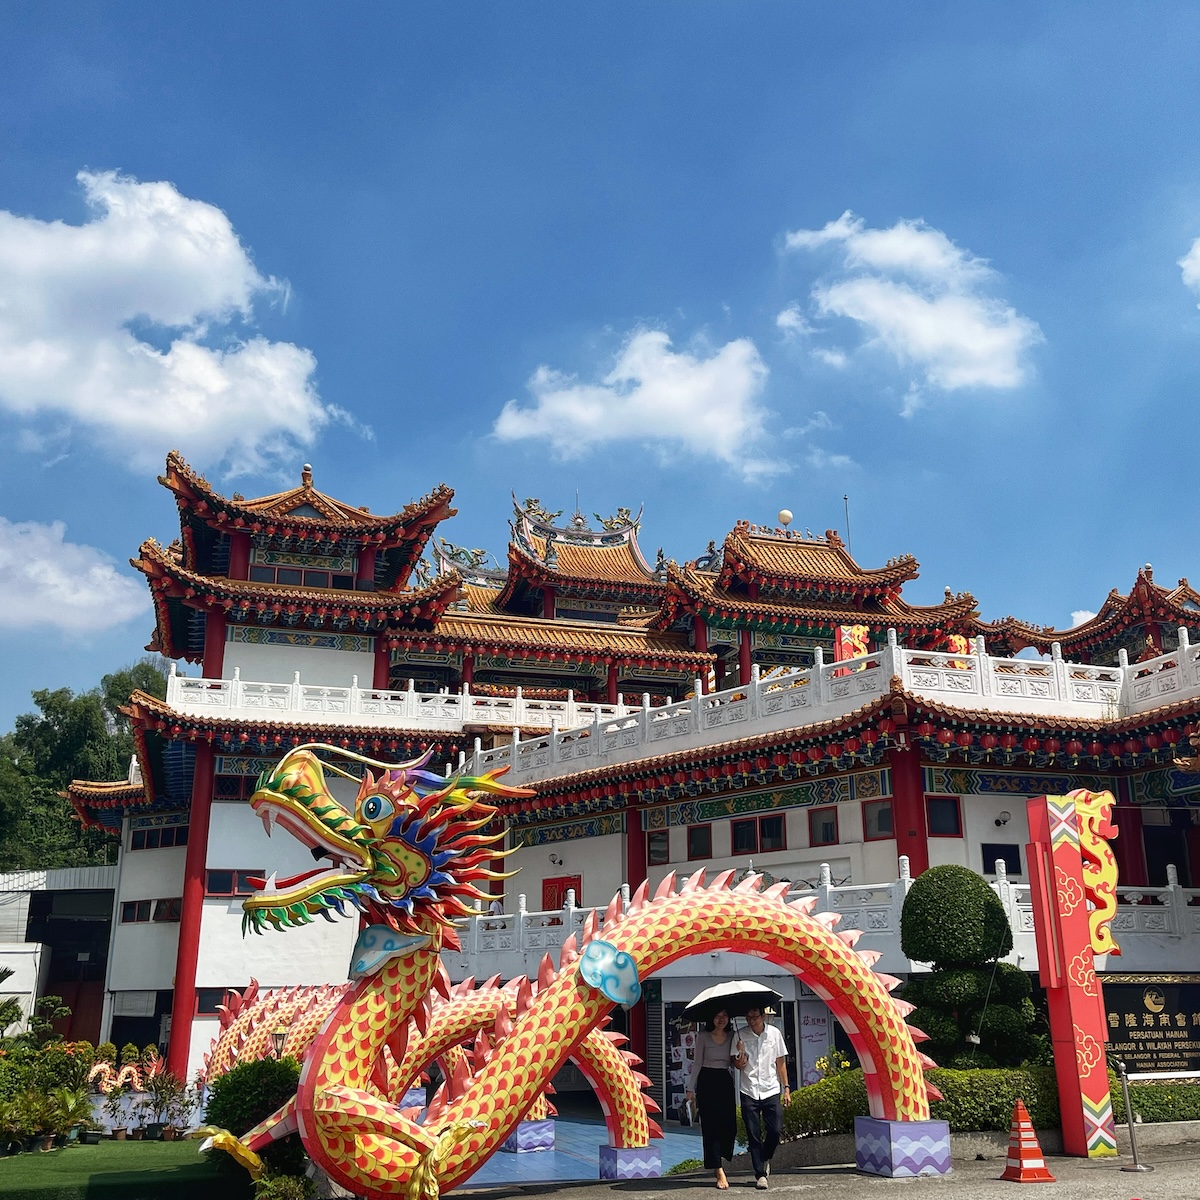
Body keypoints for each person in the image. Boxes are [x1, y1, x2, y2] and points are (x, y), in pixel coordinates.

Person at [733, 1006, 791, 1189]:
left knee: (775, 1130)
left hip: (771, 1089)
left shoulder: (774, 1034)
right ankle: (760, 1174)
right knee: (753, 1134)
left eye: (755, 1017)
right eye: (748, 1017)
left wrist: (786, 1088)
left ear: (763, 1016)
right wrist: (740, 1054)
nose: (751, 1021)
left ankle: (765, 1156)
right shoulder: (739, 1035)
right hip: (748, 1089)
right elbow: (737, 1065)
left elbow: (780, 1062)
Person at [684, 1009, 737, 1189]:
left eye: (725, 1015)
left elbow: (735, 1062)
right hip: (707, 1081)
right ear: (711, 1018)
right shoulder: (703, 1036)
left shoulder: (733, 1035)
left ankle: (721, 1156)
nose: (721, 1019)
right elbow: (697, 1062)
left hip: (725, 1080)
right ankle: (718, 1169)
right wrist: (690, 1088)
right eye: (717, 1015)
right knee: (711, 1127)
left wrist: (741, 1051)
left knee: (730, 1125)